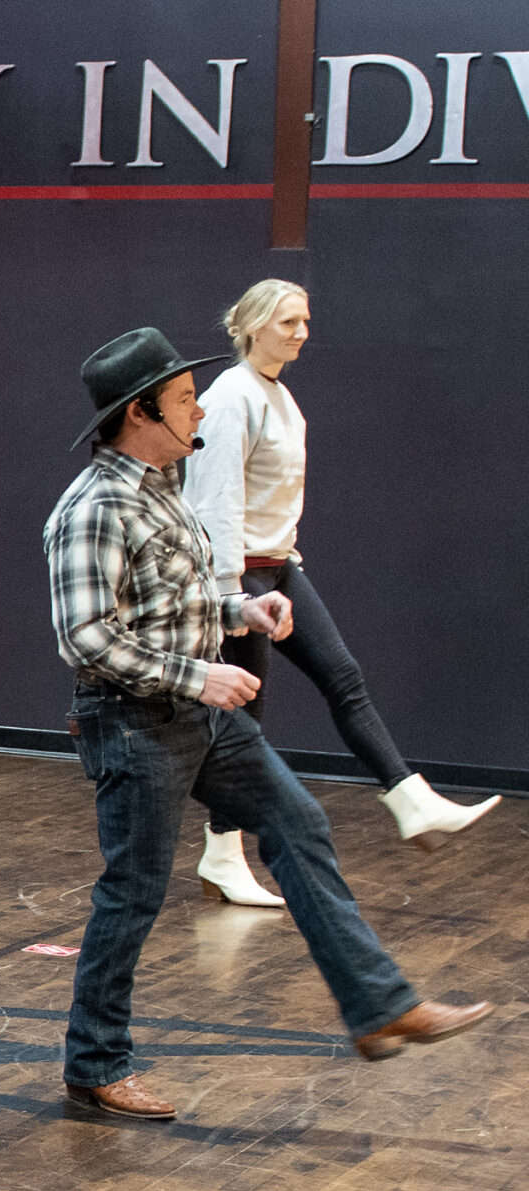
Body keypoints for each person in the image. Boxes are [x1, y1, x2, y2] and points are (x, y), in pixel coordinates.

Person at [45, 327, 488, 1120]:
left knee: (300, 823)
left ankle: (378, 1003)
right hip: (136, 723)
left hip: (202, 715)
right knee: (133, 893)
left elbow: (168, 603)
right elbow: (86, 637)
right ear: (140, 411)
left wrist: (238, 606)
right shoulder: (95, 507)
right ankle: (94, 1062)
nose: (197, 408)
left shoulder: (160, 485)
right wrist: (200, 673)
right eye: (183, 399)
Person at [184, 280, 495, 906]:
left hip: (278, 565)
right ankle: (222, 855)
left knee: (343, 677)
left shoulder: (280, 396)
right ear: (252, 326)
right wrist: (230, 595)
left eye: (305, 320)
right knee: (245, 717)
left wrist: (283, 562)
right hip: (241, 574)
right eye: (289, 322)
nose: (302, 331)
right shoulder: (230, 396)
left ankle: (411, 799)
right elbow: (214, 501)